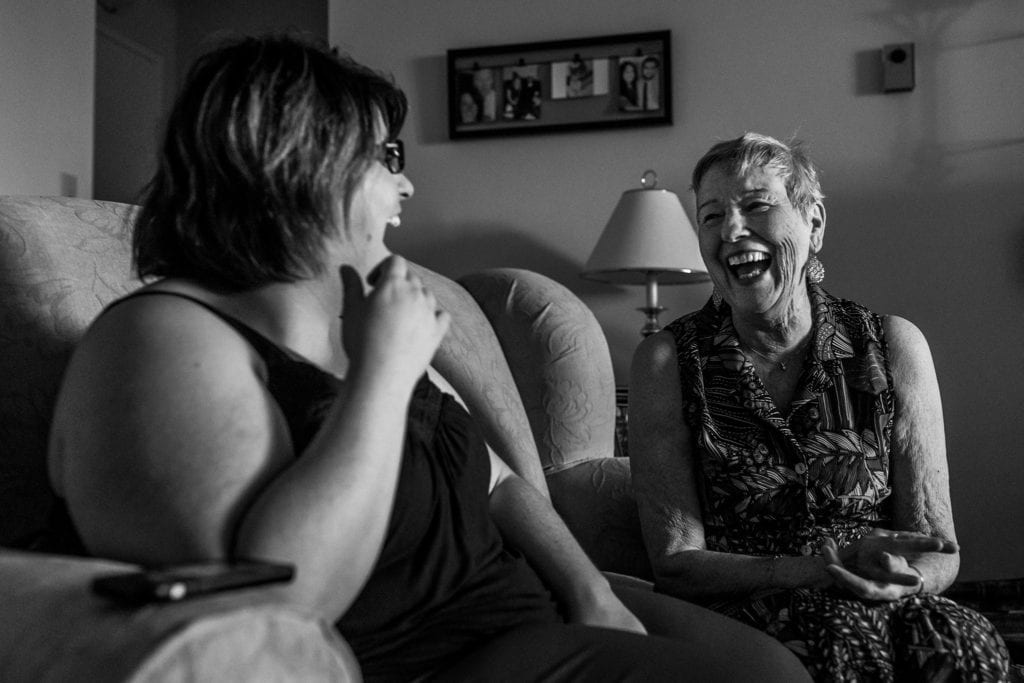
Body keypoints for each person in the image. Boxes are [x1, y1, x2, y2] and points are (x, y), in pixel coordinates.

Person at [46, 37, 811, 682]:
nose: (405, 182)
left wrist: (591, 589)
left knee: (778, 668)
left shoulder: (360, 312)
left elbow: (498, 478)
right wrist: (381, 376)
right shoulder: (160, 342)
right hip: (437, 655)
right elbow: (272, 609)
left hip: (531, 601)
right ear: (302, 159)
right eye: (385, 157)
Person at [629, 132, 1011, 681]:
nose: (732, 231)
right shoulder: (666, 362)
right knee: (841, 646)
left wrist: (897, 579)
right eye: (711, 217)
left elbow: (939, 544)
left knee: (966, 646)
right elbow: (676, 563)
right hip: (751, 606)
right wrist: (816, 572)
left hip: (887, 596)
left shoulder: (894, 345)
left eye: (757, 206)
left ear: (814, 223)